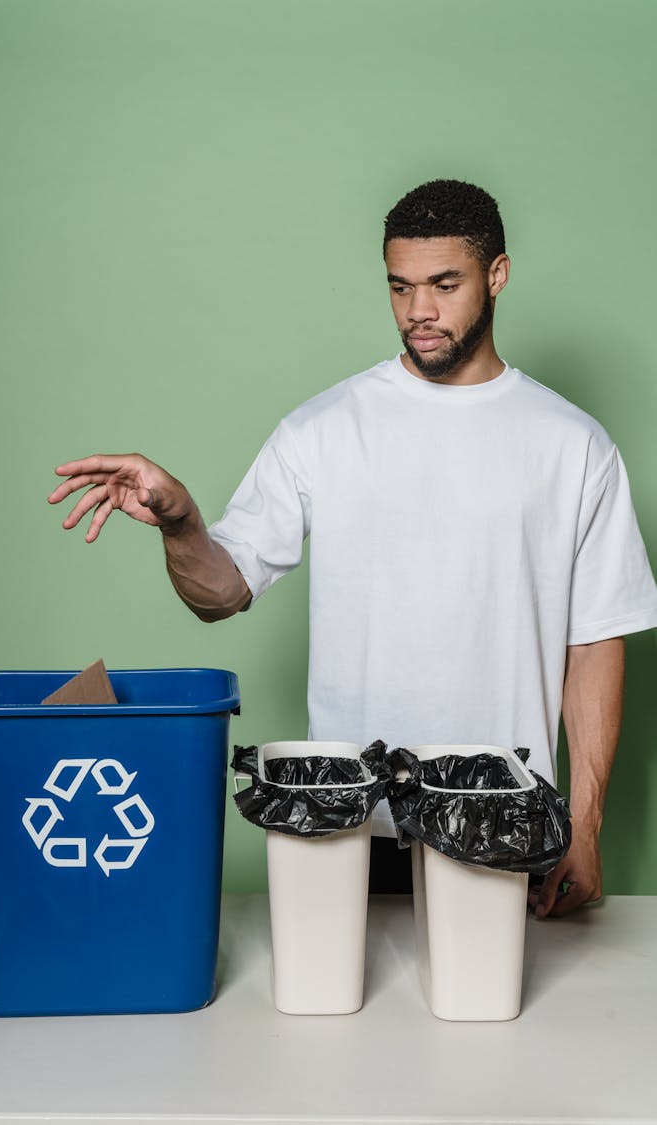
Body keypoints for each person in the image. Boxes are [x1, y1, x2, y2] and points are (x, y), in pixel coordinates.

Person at [48, 179, 657, 917]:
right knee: (334, 1024)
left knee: (496, 1028)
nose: (419, 312)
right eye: (399, 287)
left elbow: (594, 641)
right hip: (349, 828)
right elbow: (221, 592)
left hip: (502, 822)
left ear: (497, 275)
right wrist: (182, 525)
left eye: (444, 284)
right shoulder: (324, 428)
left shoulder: (574, 445)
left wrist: (585, 826)